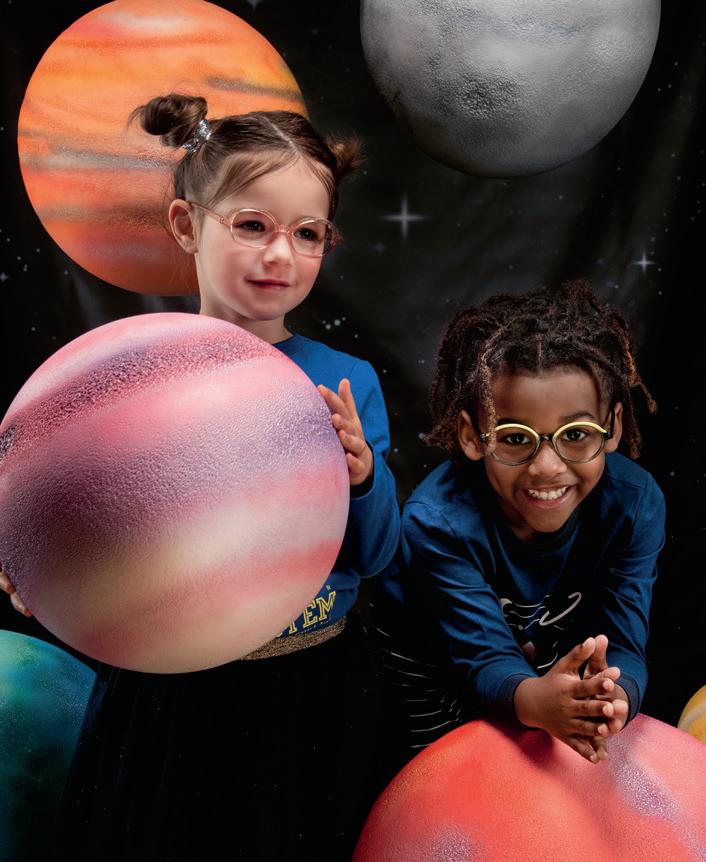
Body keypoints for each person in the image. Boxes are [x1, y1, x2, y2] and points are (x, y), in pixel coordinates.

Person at [1, 93, 400, 861]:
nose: (280, 255)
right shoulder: (132, 372)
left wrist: (362, 475)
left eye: (307, 234)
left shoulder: (343, 382)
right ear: (187, 225)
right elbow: (82, 518)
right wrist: (41, 569)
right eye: (252, 226)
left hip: (306, 690)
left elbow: (376, 555)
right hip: (170, 693)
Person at [372, 279, 665, 769]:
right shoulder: (438, 523)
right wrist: (537, 701)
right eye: (514, 438)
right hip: (433, 675)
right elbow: (483, 659)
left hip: (533, 673)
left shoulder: (634, 506)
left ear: (612, 428)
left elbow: (625, 643)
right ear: (472, 436)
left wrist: (611, 700)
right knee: (451, 787)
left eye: (576, 434)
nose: (547, 467)